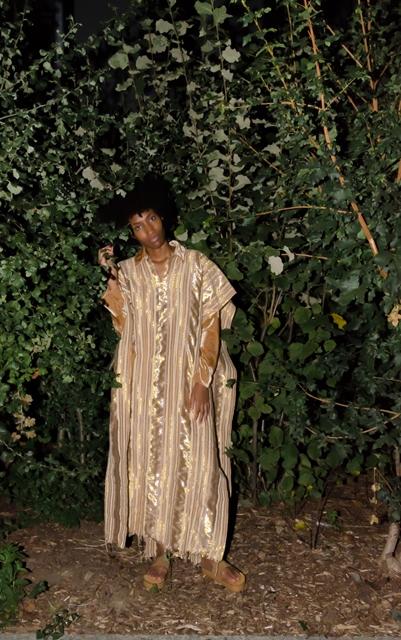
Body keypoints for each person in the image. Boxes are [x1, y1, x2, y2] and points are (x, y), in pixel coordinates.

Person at [98, 177, 245, 592]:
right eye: (137, 226)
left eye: (151, 218)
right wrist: (112, 278)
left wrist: (201, 382)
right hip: (145, 386)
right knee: (152, 463)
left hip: (190, 381)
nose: (148, 230)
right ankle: (160, 551)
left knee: (203, 460)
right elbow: (124, 328)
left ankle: (209, 555)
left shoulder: (197, 265)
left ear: (163, 216)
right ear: (131, 233)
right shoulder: (129, 273)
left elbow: (211, 324)